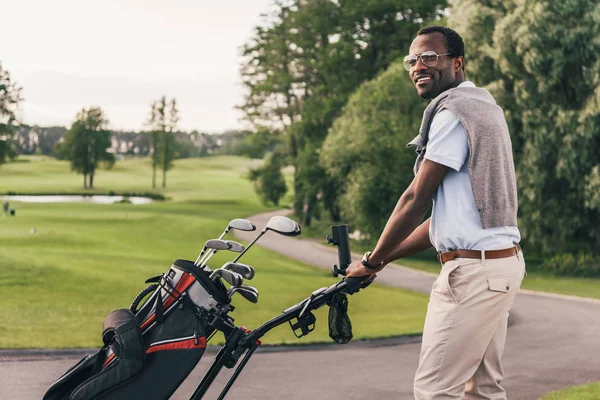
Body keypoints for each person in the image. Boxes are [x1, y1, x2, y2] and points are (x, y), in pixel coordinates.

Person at [345, 26, 526, 399]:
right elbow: (439, 223)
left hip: (473, 275)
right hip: (499, 268)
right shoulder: (485, 108)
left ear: (456, 63)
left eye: (430, 57)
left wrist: (372, 257)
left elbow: (415, 198)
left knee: (434, 390)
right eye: (412, 60)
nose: (418, 66)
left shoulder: (453, 114)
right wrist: (379, 262)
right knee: (485, 390)